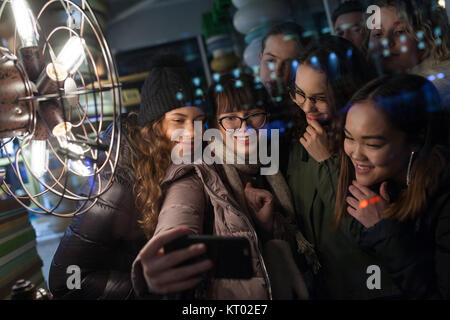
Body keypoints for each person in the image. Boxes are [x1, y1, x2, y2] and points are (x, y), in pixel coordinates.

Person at [131, 73, 318, 300]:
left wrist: (264, 227)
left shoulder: (279, 160)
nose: (244, 127)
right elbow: (180, 213)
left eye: (253, 115)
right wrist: (165, 255)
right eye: (230, 118)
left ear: (266, 116)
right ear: (214, 125)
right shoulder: (199, 170)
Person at [48, 55, 209, 299]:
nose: (192, 132)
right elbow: (66, 280)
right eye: (178, 120)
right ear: (155, 124)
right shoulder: (117, 179)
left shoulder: (178, 160)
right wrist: (144, 287)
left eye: (199, 121)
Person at [335, 74, 450, 299]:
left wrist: (384, 231)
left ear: (416, 141)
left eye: (372, 144)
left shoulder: (444, 196)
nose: (355, 154)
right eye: (349, 137)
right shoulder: (378, 182)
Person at [286, 35, 374, 299]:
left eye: (319, 98)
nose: (306, 107)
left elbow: (364, 233)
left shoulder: (367, 142)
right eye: (299, 94)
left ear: (345, 91)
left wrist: (327, 162)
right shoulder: (301, 139)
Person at [362, 0, 450, 109]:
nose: (385, 41)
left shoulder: (434, 93)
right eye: (378, 34)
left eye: (400, 32)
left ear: (428, 37)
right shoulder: (365, 90)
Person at [258, 22, 309, 173]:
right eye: (271, 61)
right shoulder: (244, 107)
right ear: (260, 58)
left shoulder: (307, 112)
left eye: (288, 63)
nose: (277, 71)